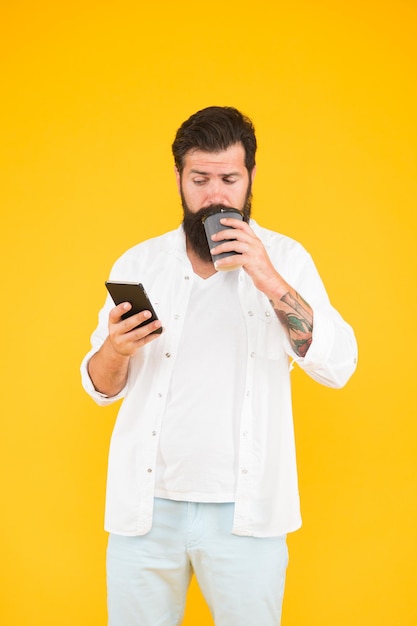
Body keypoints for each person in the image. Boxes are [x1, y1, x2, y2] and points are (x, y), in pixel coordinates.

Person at [81, 106, 357, 626]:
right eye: (199, 178)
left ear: (250, 176)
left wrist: (267, 276)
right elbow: (100, 387)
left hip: (245, 515)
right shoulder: (139, 264)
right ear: (179, 178)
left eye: (228, 178)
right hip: (146, 511)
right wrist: (115, 350)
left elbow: (338, 365)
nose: (214, 195)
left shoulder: (286, 258)